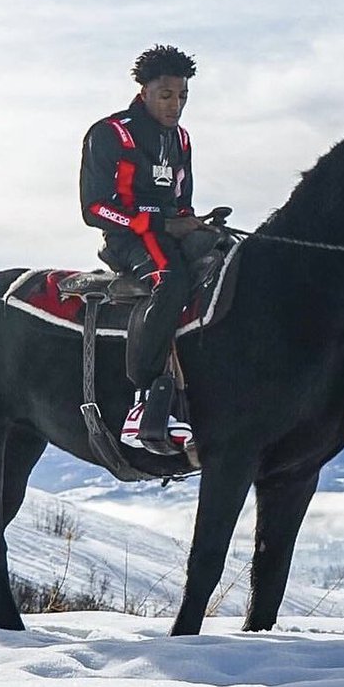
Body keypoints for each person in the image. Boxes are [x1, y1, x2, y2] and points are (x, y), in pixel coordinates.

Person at [80, 44, 217, 452]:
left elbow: (182, 199)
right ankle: (142, 402)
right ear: (145, 91)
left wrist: (193, 223)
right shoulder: (110, 133)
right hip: (127, 239)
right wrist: (158, 223)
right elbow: (94, 207)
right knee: (172, 282)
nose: (176, 106)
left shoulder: (182, 140)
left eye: (183, 97)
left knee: (224, 261)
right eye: (167, 95)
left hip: (170, 232)